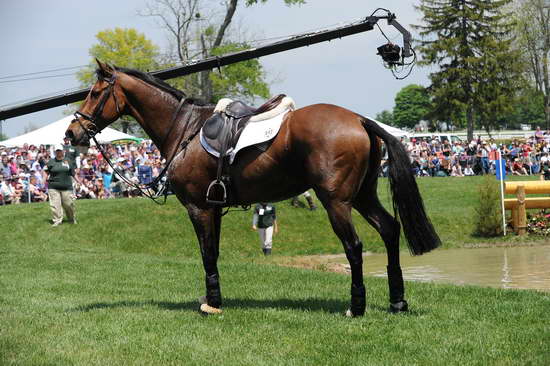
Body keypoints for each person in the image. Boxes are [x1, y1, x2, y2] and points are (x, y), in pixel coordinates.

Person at [45, 144, 77, 227]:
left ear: (63, 151)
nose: (59, 152)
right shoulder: (51, 161)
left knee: (68, 204)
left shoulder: (68, 161)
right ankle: (57, 220)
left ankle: (71, 218)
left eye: (60, 150)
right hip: (53, 186)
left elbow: (73, 173)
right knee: (55, 205)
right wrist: (43, 180)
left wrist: (79, 181)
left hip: (67, 186)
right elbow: (45, 171)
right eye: (57, 151)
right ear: (55, 152)